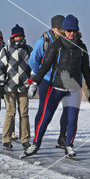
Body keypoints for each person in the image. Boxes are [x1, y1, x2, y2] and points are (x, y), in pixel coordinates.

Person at [26, 15, 90, 159]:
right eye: (68, 30)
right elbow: (44, 66)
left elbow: (86, 70)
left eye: (74, 31)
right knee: (46, 116)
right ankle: (35, 144)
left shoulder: (81, 48)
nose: (71, 33)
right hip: (56, 87)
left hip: (73, 89)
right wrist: (35, 83)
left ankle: (69, 145)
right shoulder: (56, 45)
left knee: (72, 119)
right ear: (64, 31)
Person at [29, 15, 69, 148]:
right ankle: (36, 138)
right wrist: (41, 75)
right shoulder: (44, 41)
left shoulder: (67, 41)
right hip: (47, 80)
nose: (64, 31)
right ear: (54, 28)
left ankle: (62, 138)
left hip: (64, 80)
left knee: (68, 109)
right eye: (61, 29)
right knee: (45, 110)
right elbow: (33, 61)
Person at [0, 24, 33, 150]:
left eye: (20, 36)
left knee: (24, 114)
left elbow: (34, 68)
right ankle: (6, 139)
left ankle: (25, 139)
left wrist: (31, 82)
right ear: (12, 37)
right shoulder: (6, 50)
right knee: (10, 113)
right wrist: (1, 84)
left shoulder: (28, 49)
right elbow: (1, 68)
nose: (18, 38)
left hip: (24, 86)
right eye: (16, 36)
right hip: (9, 87)